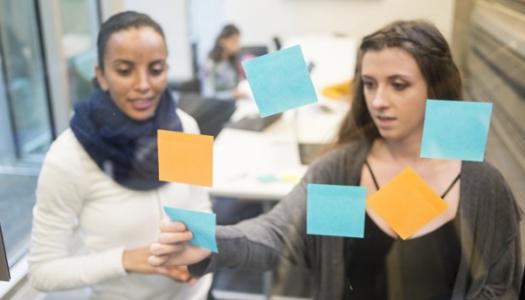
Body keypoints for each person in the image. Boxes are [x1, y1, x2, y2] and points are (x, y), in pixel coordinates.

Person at [148, 20, 523, 300]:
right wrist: (210, 242)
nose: (378, 100)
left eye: (399, 84)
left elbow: (501, 284)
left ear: (437, 87)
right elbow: (278, 233)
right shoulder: (344, 174)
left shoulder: (481, 185)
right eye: (369, 83)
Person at [28, 11, 212, 300]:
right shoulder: (70, 156)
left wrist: (199, 256)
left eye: (155, 68)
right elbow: (42, 271)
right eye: (125, 70)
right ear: (101, 75)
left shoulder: (183, 129)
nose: (143, 84)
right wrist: (127, 260)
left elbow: (199, 208)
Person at [200, 24, 244, 100]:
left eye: (238, 41)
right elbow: (208, 94)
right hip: (221, 106)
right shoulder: (210, 64)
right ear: (222, 41)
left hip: (237, 103)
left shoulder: (233, 61)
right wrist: (231, 95)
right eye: (234, 41)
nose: (238, 45)